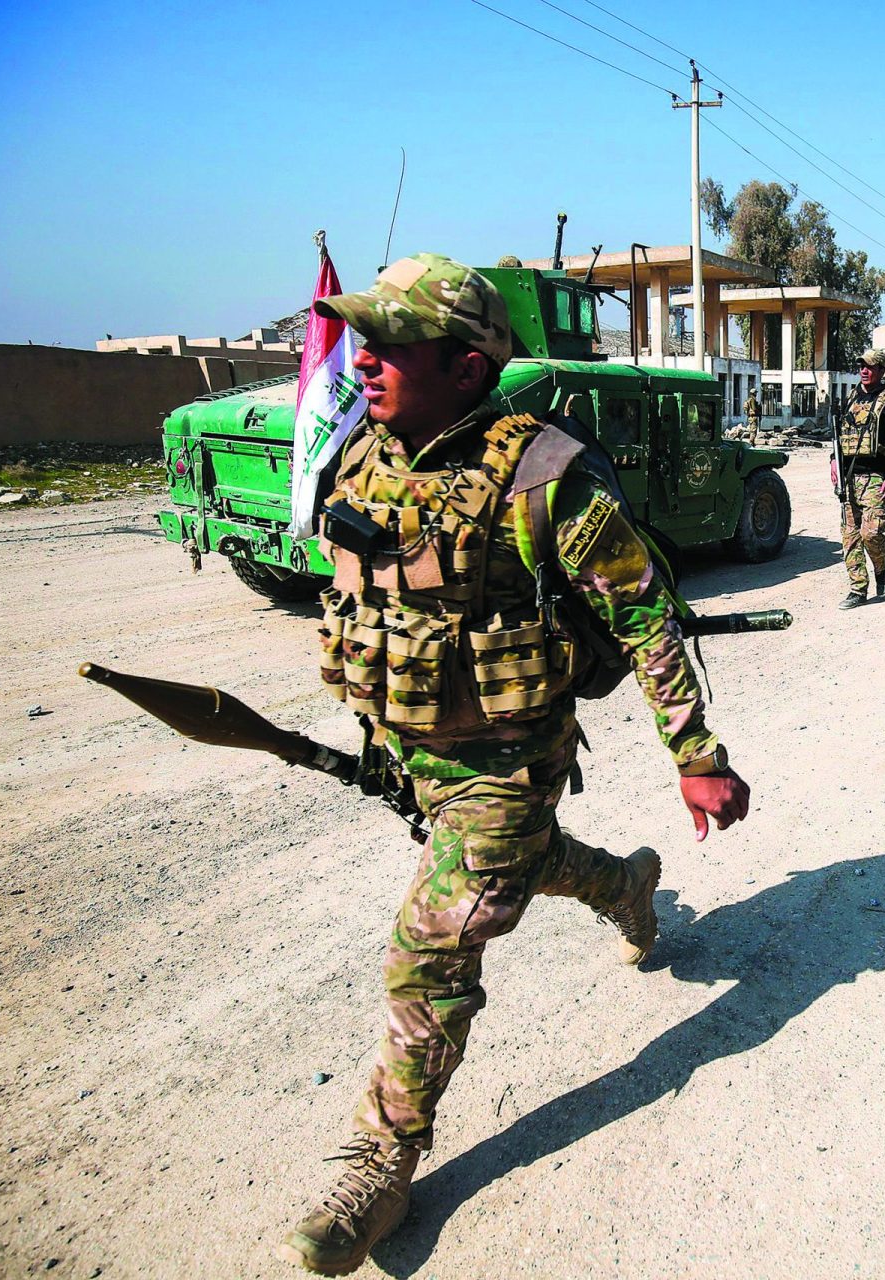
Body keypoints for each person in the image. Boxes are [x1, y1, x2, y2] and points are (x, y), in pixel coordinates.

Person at [281, 254, 751, 1274]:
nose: (362, 357)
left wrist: (696, 750)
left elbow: (641, 612)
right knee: (528, 864)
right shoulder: (365, 451)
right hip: (416, 748)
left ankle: (380, 1153)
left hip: (509, 758)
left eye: (389, 342)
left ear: (463, 364)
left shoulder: (543, 474)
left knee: (436, 937)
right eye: (360, 337)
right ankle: (625, 885)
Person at [833, 349, 885, 607]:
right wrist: (833, 462)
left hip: (876, 477)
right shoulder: (851, 398)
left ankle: (881, 567)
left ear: (879, 370)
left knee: (871, 533)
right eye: (861, 367)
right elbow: (839, 437)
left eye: (869, 367)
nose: (864, 371)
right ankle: (858, 589)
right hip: (849, 478)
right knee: (850, 535)